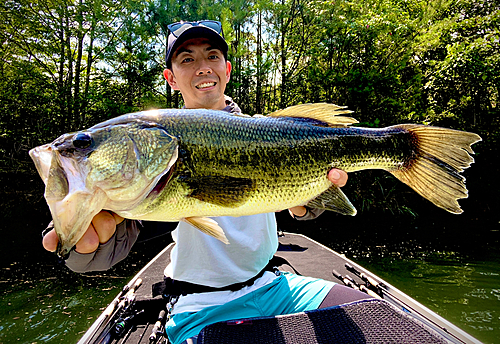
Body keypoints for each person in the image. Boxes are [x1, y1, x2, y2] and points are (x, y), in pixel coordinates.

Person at [42, 20, 368, 343]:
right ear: (170, 78)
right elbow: (109, 242)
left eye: (212, 56)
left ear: (226, 69)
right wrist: (82, 244)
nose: (202, 67)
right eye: (187, 59)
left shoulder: (267, 130)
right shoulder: (150, 171)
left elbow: (302, 205)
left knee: (374, 317)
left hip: (275, 287)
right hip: (200, 306)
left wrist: (307, 202)